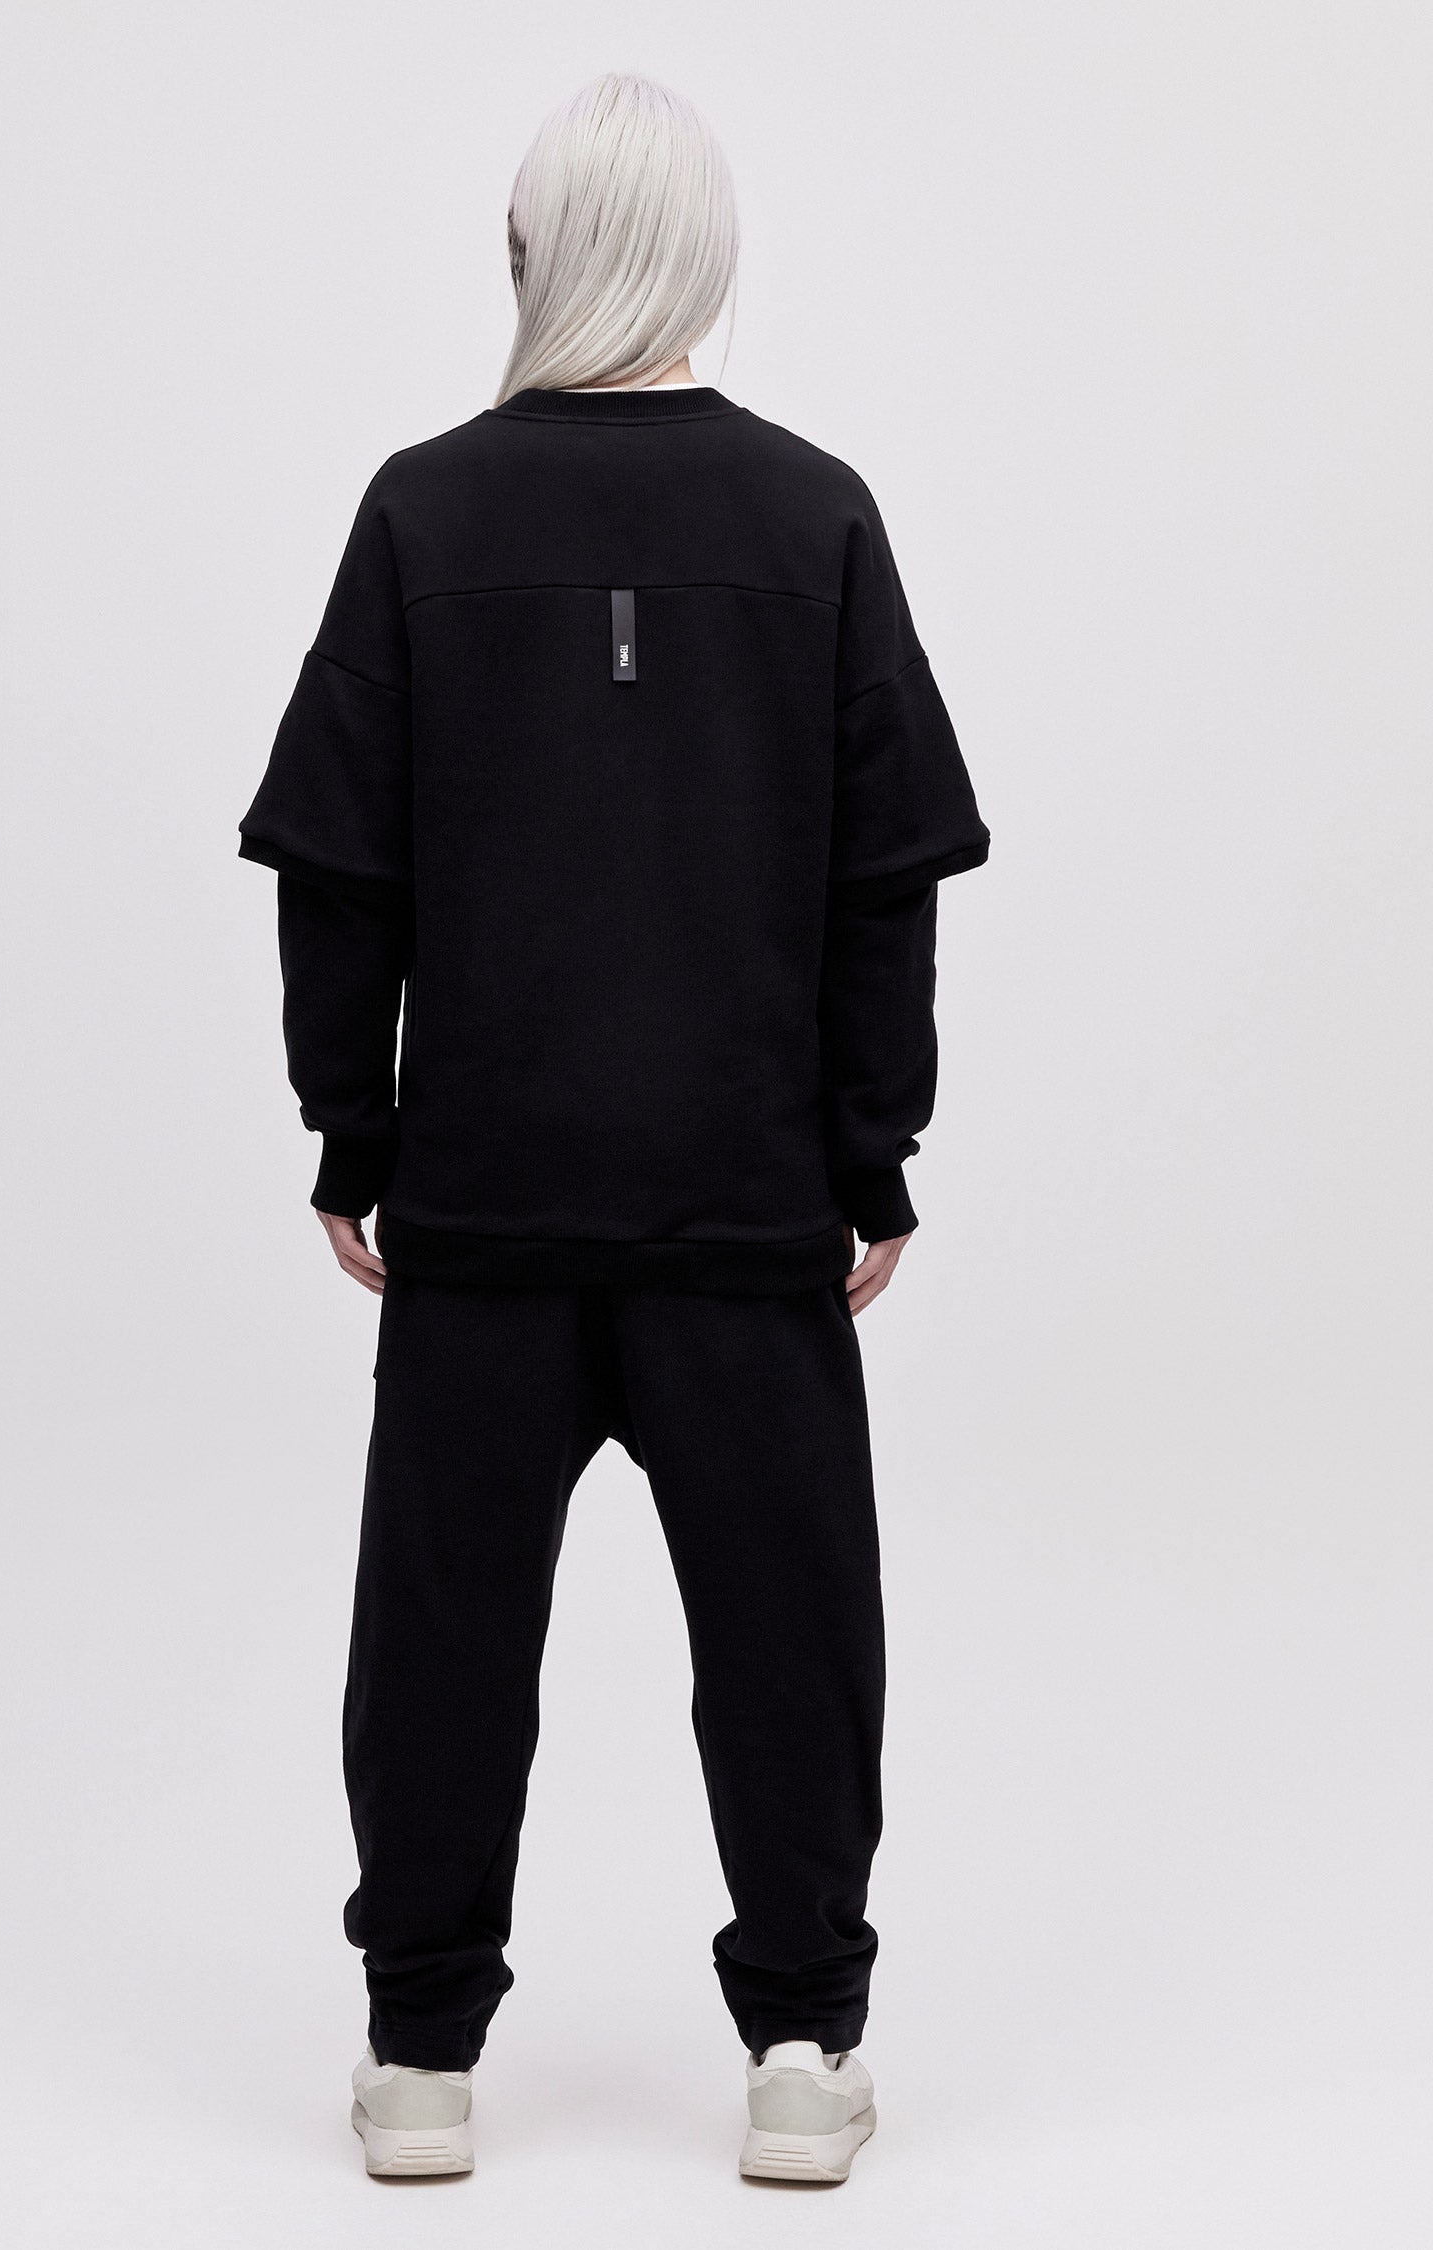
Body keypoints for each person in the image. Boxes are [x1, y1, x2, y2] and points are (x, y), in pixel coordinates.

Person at [237, 72, 987, 2186]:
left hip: (483, 1203)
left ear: (532, 252)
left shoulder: (423, 513)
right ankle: (804, 2052)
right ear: (709, 253)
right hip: (745, 1211)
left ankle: (418, 2061)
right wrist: (872, 1150)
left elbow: (337, 863)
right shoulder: (816, 517)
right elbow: (885, 876)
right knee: (792, 1633)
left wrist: (351, 1131)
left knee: (441, 1632)